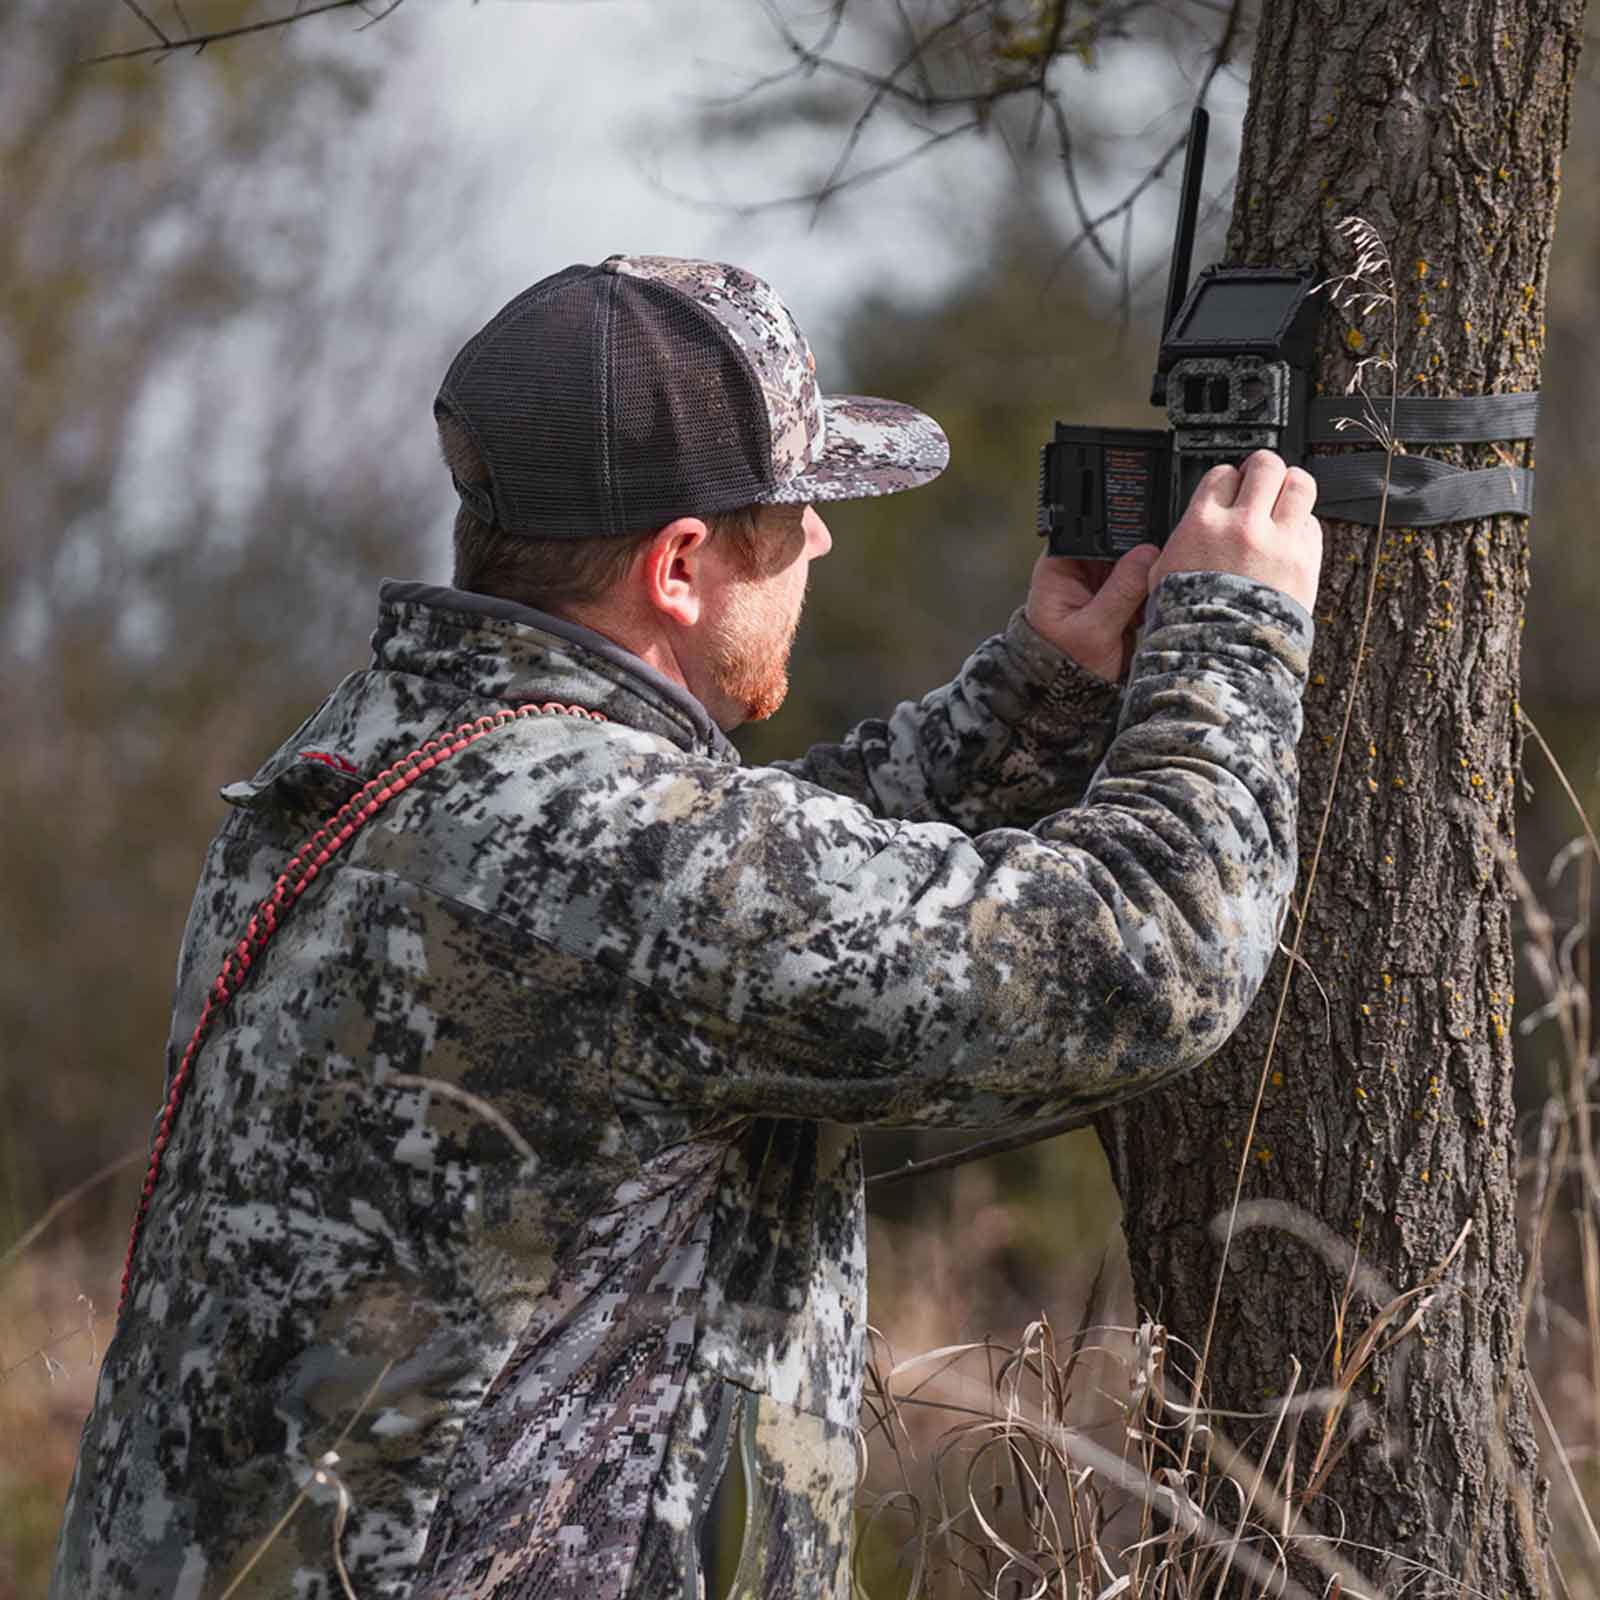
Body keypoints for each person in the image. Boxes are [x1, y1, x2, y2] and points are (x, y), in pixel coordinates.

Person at [52, 254, 1321, 1599]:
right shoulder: (628, 858)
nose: (821, 541)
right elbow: (1160, 951)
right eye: (792, 512)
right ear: (678, 565)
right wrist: (1232, 632)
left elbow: (709, 925)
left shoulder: (369, 760)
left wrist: (1037, 698)